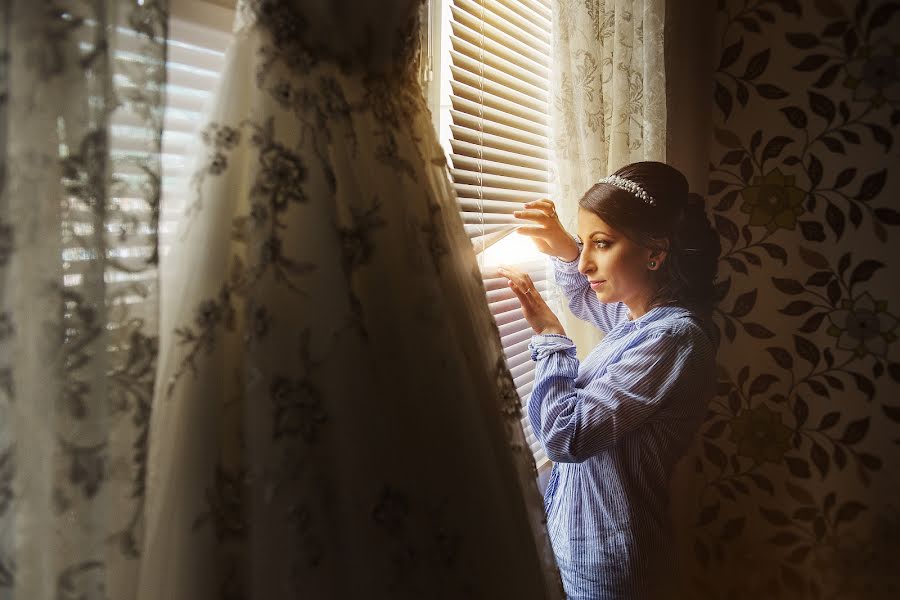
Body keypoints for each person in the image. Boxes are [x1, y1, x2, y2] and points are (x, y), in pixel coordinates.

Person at [496, 161, 721, 599]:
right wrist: (566, 247)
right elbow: (592, 298)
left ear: (656, 251)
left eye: (601, 244)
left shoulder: (674, 338)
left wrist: (551, 338)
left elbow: (568, 435)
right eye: (586, 243)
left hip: (609, 567)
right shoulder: (643, 320)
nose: (583, 265)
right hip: (581, 543)